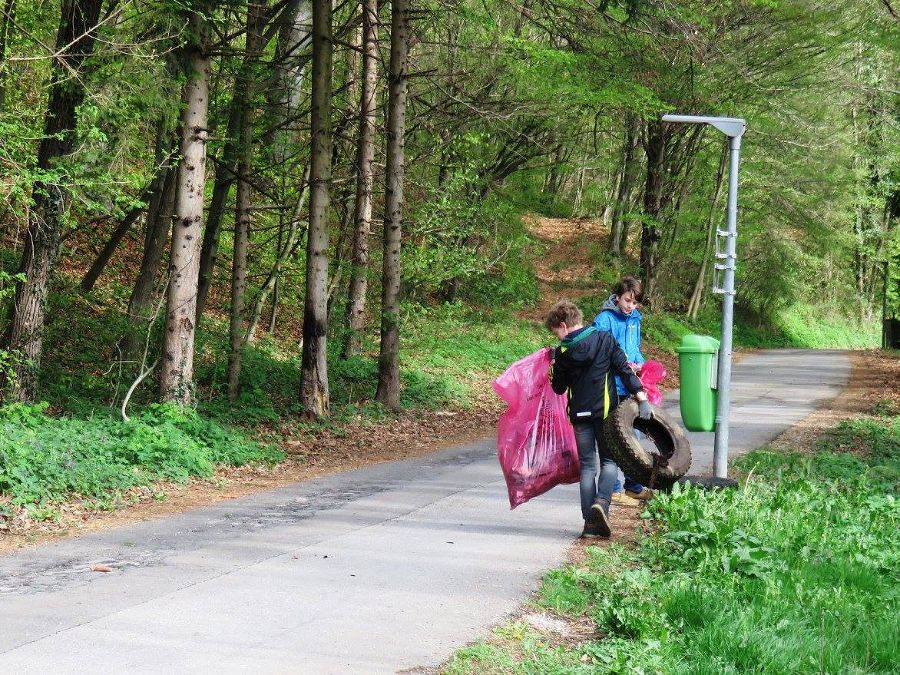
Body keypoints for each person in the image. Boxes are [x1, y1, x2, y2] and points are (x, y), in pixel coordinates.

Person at [547, 300, 651, 538]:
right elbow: (625, 371)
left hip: (579, 415)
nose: (558, 337)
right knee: (609, 462)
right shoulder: (604, 339)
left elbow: (558, 388)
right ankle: (601, 504)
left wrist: (554, 366)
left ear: (563, 325)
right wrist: (642, 399)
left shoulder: (563, 352)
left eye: (557, 332)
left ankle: (589, 525)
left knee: (587, 467)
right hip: (605, 413)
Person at [593, 276, 654, 502]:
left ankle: (634, 486)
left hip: (630, 384)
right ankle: (615, 489)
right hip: (610, 387)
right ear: (617, 297)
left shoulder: (635, 319)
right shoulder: (604, 320)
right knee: (612, 438)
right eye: (627, 300)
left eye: (634, 302)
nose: (630, 306)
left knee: (633, 436)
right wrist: (622, 364)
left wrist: (639, 362)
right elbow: (600, 355)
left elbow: (635, 348)